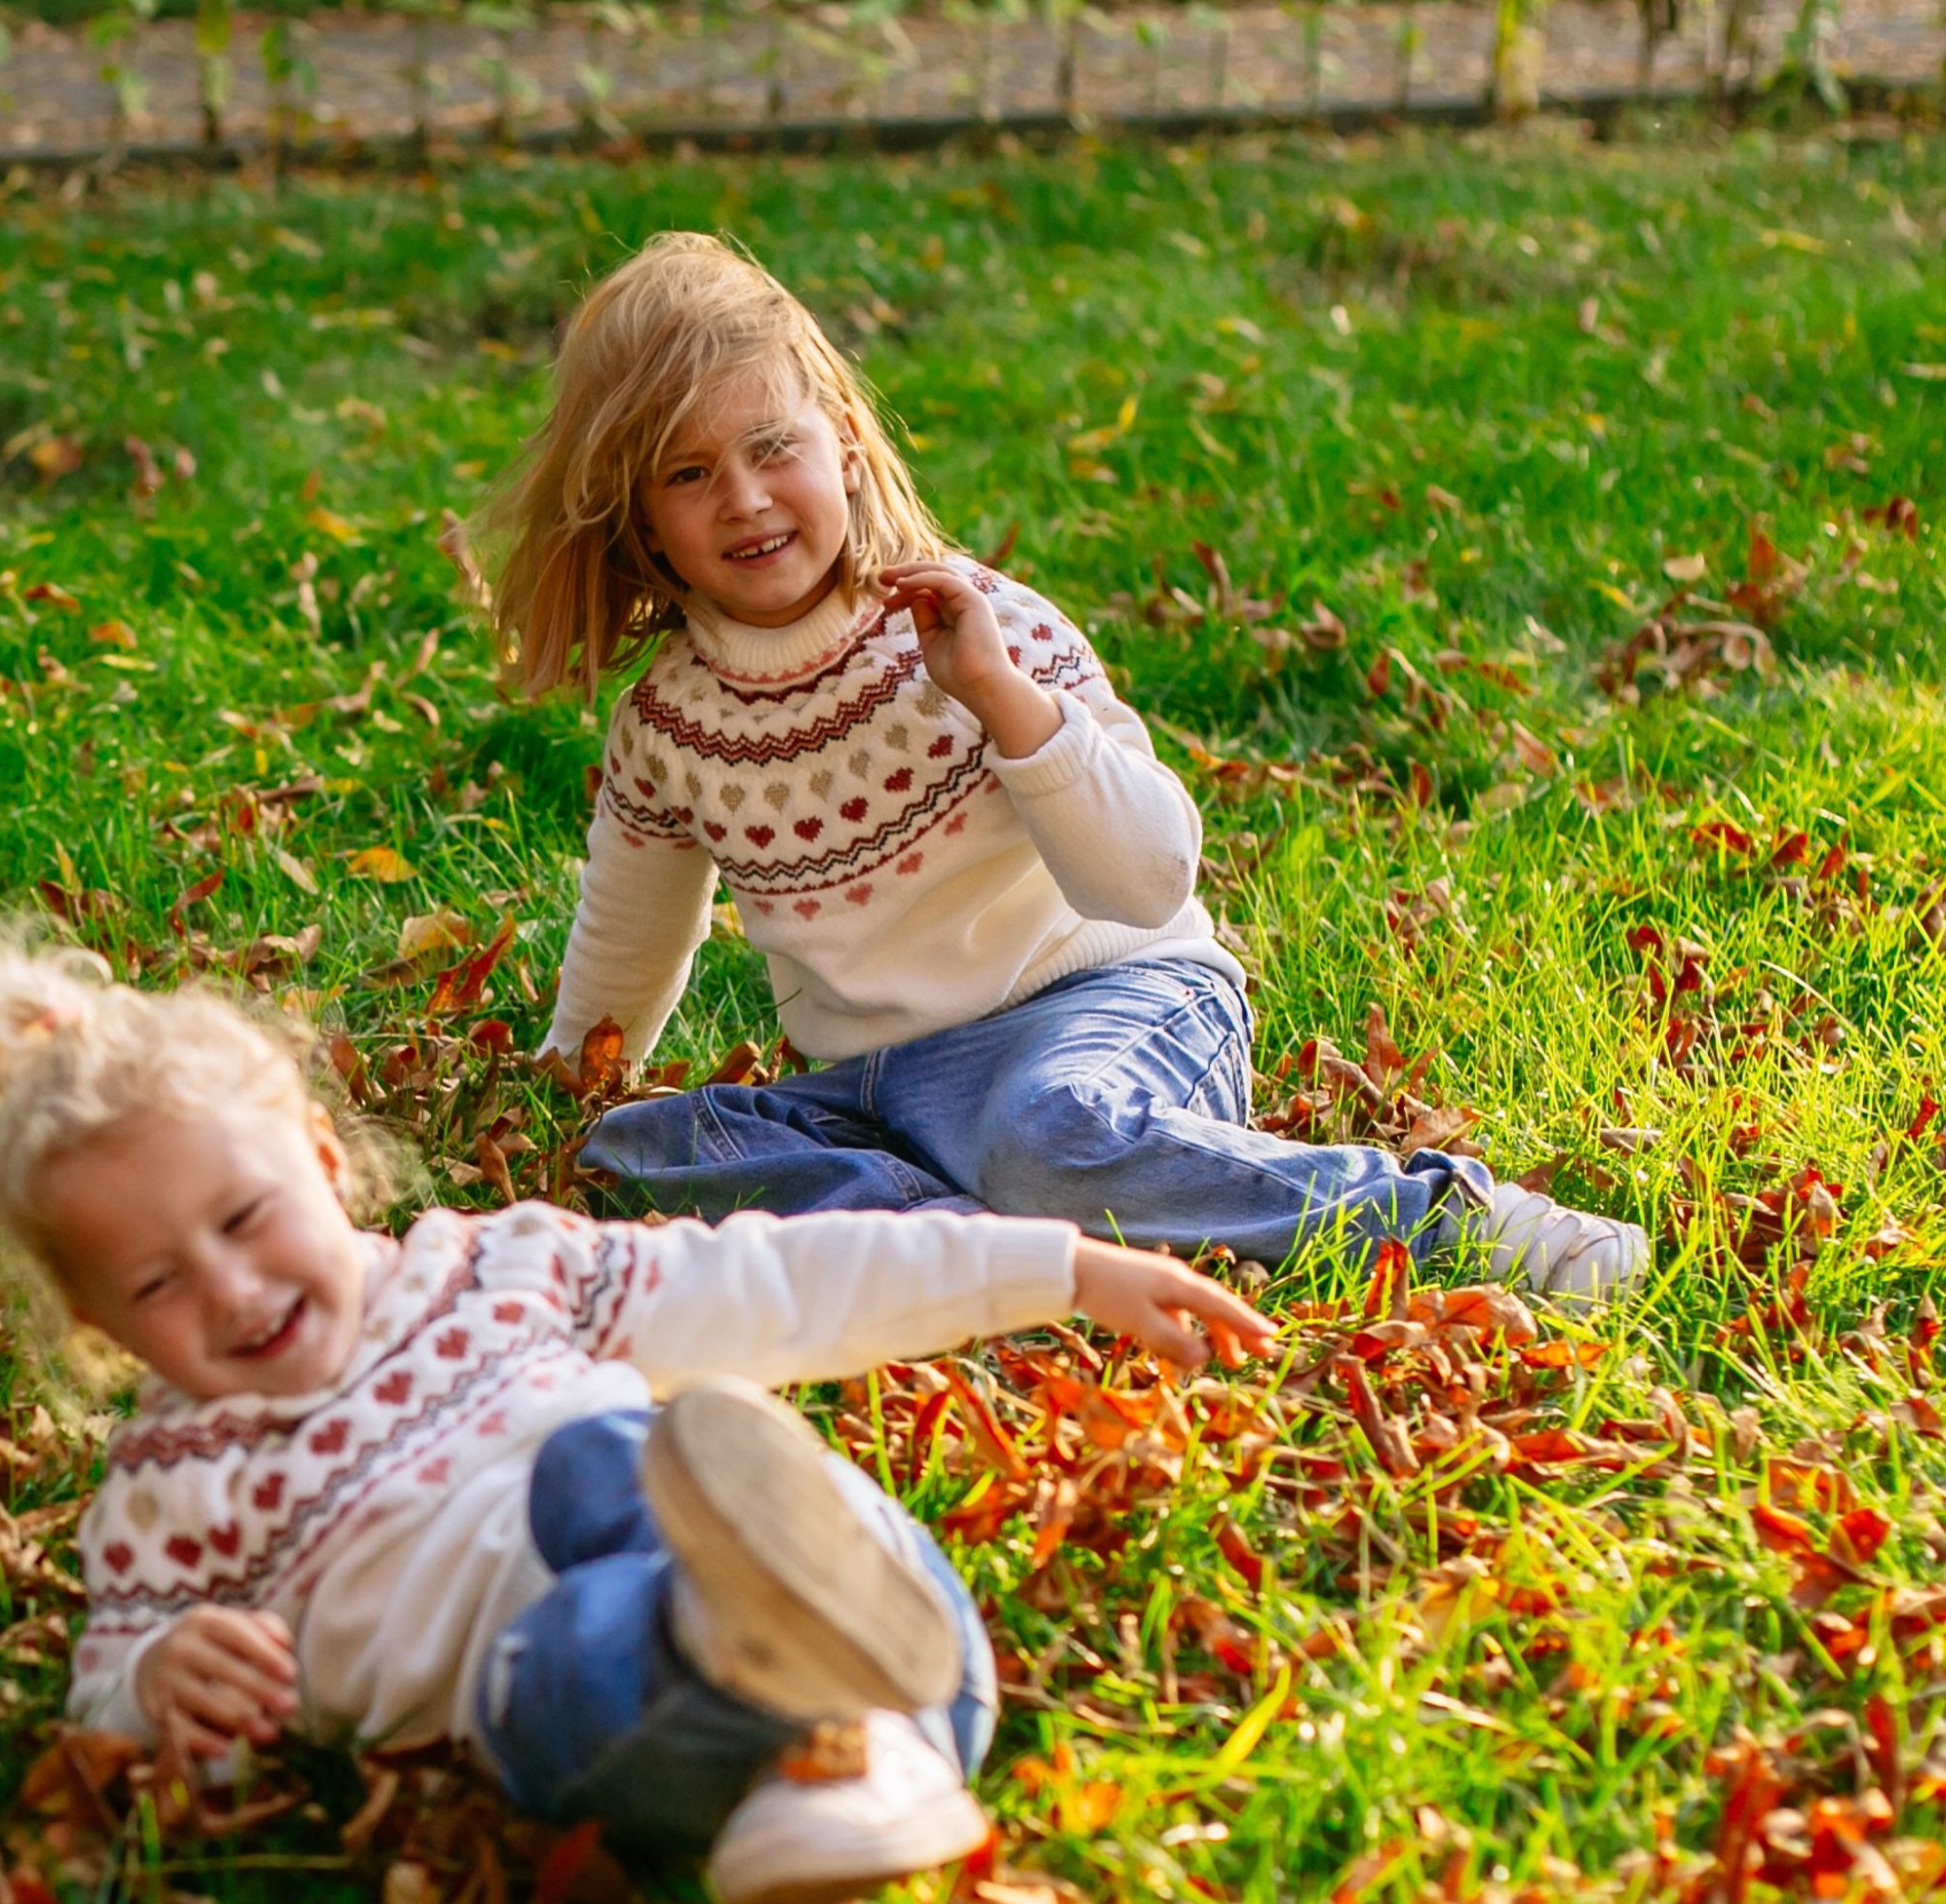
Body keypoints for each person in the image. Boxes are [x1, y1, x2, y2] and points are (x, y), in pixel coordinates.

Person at [0, 931, 1266, 1904]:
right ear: (101, 1322)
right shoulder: (173, 1484)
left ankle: (838, 1712)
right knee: (564, 1623)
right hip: (594, 1723)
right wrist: (161, 1678)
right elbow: (109, 1679)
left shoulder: (504, 1271)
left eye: (242, 1220)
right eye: (157, 1287)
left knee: (630, 1462)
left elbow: (777, 1284)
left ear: (322, 1156)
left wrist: (1060, 1269)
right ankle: (797, 1741)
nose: (229, 1290)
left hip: (912, 1655)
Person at [489, 232, 1650, 1304]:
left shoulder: (979, 629)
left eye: (770, 446)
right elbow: (631, 931)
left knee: (1050, 1134)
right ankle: (971, 1240)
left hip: (1108, 1010)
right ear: (639, 521)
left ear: (840, 445)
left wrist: (1003, 699)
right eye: (687, 475)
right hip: (883, 1093)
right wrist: (572, 1075)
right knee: (645, 1149)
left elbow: (1148, 880)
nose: (742, 497)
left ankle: (1454, 1222)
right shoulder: (671, 724)